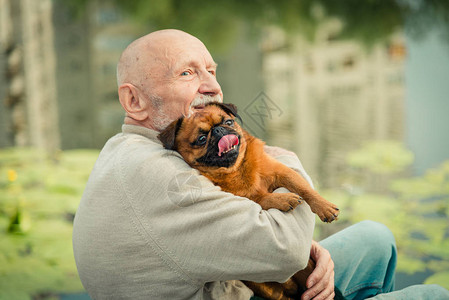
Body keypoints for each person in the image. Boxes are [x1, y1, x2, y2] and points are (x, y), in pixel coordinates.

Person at [72, 29, 449, 300]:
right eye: (187, 73)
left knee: (375, 238)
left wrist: (306, 248)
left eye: (211, 70)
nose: (212, 87)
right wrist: (274, 159)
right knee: (433, 293)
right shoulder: (160, 178)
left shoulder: (134, 149)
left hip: (238, 286)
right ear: (133, 100)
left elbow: (265, 230)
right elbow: (286, 250)